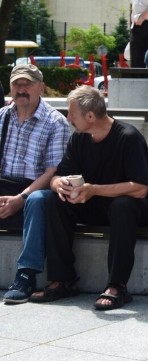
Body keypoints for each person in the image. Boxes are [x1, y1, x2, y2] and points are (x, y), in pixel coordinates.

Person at [30, 86, 148, 310]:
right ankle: (63, 280)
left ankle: (117, 286)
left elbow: (139, 188)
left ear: (90, 116)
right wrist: (57, 184)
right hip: (97, 201)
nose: (68, 118)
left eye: (72, 113)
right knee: (52, 200)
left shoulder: (128, 137)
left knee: (122, 206)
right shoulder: (79, 138)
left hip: (138, 205)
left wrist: (93, 189)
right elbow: (58, 174)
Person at [0, 65, 71, 304]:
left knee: (38, 200)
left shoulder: (55, 122)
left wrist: (21, 197)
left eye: (27, 84)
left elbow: (54, 171)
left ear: (41, 87)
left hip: (37, 188)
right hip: (4, 185)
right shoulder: (2, 116)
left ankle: (26, 275)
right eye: (16, 84)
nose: (21, 90)